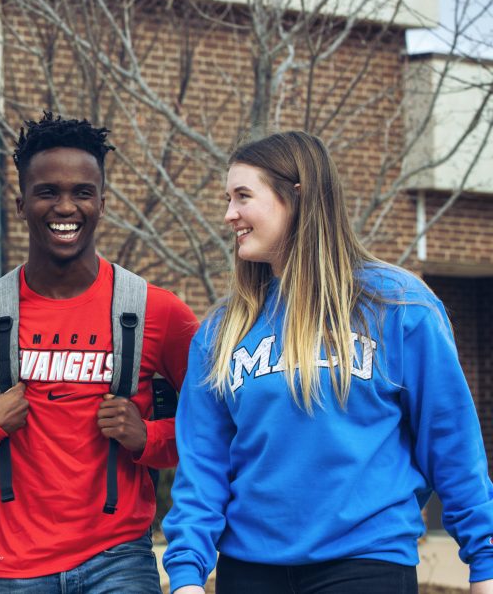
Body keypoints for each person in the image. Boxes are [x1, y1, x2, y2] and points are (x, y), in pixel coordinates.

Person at [163, 131, 493, 594]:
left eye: (243, 196)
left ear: (295, 197)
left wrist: (485, 563)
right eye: (227, 198)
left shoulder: (398, 306)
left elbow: (451, 442)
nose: (229, 214)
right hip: (250, 570)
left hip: (365, 564)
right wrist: (186, 575)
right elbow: (204, 466)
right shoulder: (222, 331)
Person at [0, 112, 198, 593]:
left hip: (120, 559)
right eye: (48, 191)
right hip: (16, 568)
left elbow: (213, 432)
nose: (65, 207)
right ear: (21, 203)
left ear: (102, 203)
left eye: (81, 193)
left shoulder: (158, 313)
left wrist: (145, 438)